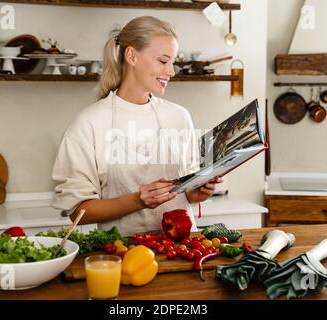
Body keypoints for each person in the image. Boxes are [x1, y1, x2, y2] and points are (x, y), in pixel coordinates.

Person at [51, 16, 222, 236]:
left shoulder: (179, 117)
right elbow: (78, 212)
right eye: (163, 61)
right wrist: (137, 201)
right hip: (121, 254)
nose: (171, 72)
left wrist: (197, 193)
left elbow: (185, 192)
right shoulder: (88, 124)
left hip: (181, 249)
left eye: (173, 62)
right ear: (131, 56)